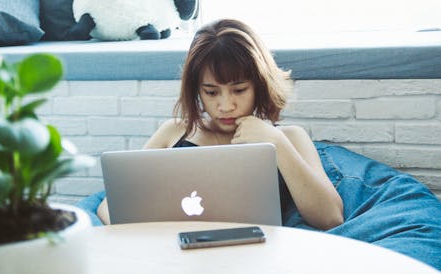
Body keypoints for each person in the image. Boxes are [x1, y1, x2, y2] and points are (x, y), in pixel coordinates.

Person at [97, 18, 344, 229]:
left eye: (239, 90)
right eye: (211, 92)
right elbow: (110, 208)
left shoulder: (290, 137)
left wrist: (277, 143)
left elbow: (331, 218)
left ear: (260, 85)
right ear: (197, 91)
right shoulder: (173, 132)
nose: (225, 106)